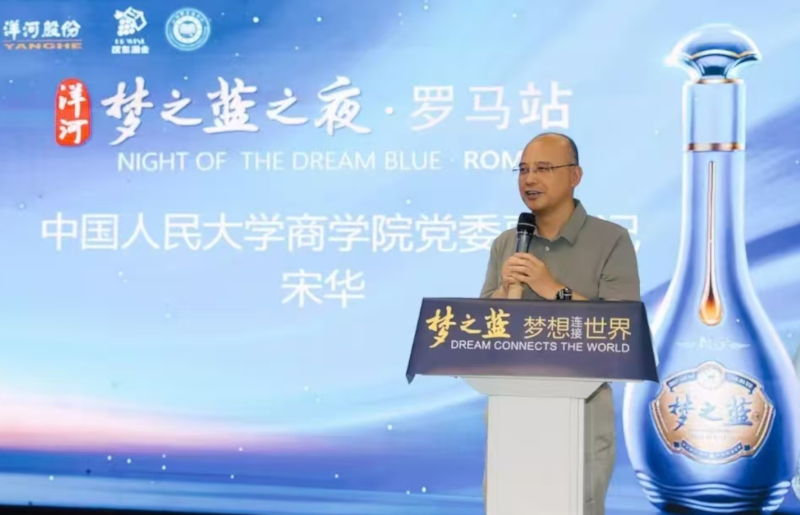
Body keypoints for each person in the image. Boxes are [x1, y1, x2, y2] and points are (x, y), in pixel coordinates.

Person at [479, 132, 640, 515]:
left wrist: (553, 289)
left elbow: (622, 330)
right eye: (523, 170)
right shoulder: (507, 243)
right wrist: (503, 291)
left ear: (575, 176)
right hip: (512, 413)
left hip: (581, 417)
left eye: (543, 168)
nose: (529, 179)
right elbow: (479, 329)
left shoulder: (611, 240)